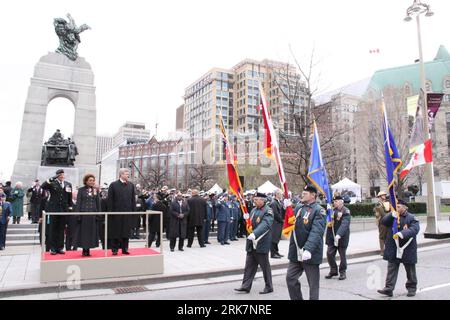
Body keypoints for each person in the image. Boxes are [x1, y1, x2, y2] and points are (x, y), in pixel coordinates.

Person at [285, 185, 326, 300]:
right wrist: (287, 208)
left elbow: (317, 231)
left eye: (306, 193)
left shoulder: (319, 210)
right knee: (290, 278)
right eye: (302, 192)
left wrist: (308, 249)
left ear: (313, 195)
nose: (302, 194)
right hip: (296, 251)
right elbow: (292, 222)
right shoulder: (299, 207)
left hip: (309, 252)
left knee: (313, 285)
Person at [377, 199, 420, 298]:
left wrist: (402, 233)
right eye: (396, 206)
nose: (397, 208)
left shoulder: (411, 218)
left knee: (410, 269)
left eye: (399, 206)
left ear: (405, 207)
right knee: (391, 268)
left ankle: (411, 288)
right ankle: (388, 289)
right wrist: (391, 215)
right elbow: (383, 222)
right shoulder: (394, 216)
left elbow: (414, 229)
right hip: (393, 247)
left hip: (407, 247)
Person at [234, 192, 274, 294]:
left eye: (256, 199)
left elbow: (265, 224)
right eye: (254, 199)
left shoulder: (268, 211)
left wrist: (255, 234)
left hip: (261, 242)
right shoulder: (253, 210)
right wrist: (246, 219)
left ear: (263, 200)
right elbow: (249, 225)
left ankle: (269, 286)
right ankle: (246, 286)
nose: (254, 201)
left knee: (265, 267)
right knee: (249, 266)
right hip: (251, 243)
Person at [41, 169, 73, 255]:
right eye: (60, 175)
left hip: (63, 210)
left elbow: (69, 197)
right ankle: (53, 248)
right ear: (57, 175)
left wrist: (70, 208)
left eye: (63, 175)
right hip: (54, 209)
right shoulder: (52, 183)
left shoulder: (68, 184)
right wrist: (52, 178)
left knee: (61, 229)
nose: (62, 176)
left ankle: (60, 247)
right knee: (53, 229)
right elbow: (43, 186)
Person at [107, 168, 136, 255]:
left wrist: (133, 211)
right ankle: (115, 248)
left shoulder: (131, 185)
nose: (128, 175)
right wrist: (110, 212)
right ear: (121, 174)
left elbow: (133, 199)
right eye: (126, 174)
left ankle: (125, 248)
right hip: (116, 213)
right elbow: (110, 200)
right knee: (116, 231)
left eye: (128, 174)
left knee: (126, 231)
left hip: (127, 213)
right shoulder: (113, 185)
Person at [325, 195, 351, 280]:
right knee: (329, 253)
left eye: (336, 201)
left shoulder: (345, 211)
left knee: (342, 255)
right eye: (333, 201)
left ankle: (342, 272)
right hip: (332, 237)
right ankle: (333, 270)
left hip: (342, 237)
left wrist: (339, 234)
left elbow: (345, 224)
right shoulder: (331, 210)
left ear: (341, 202)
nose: (334, 203)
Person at [74, 174, 100, 256]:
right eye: (90, 180)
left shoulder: (95, 190)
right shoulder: (81, 190)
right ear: (86, 181)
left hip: (92, 214)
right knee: (84, 233)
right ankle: (84, 249)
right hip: (84, 214)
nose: (92, 182)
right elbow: (78, 202)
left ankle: (88, 249)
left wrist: (99, 214)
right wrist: (78, 214)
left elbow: (98, 202)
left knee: (91, 233)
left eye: (93, 180)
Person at [374, 191, 390, 255]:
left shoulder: (386, 203)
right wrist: (390, 214)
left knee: (387, 236)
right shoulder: (378, 205)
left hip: (386, 222)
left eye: (384, 195)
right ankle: (382, 251)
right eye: (383, 195)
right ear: (380, 197)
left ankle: (387, 249)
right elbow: (383, 214)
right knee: (382, 236)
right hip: (382, 223)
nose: (384, 196)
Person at [270, 190, 285, 259]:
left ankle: (276, 252)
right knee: (274, 238)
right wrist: (282, 220)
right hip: (275, 223)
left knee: (277, 238)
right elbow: (275, 214)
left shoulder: (278, 202)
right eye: (280, 194)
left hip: (278, 223)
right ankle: (273, 253)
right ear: (276, 194)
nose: (281, 195)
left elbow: (282, 211)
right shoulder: (273, 203)